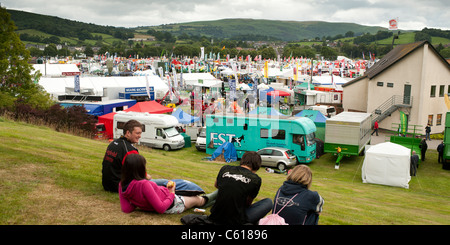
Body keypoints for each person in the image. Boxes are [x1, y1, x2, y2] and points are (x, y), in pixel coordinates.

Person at [119, 154, 216, 214]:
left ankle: (219, 198)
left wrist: (139, 202)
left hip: (167, 197)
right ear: (140, 169)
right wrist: (172, 193)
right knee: (200, 200)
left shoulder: (122, 184)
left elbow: (127, 208)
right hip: (173, 204)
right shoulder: (144, 184)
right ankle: (222, 192)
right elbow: (161, 208)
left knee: (195, 199)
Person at [208, 151, 272, 225]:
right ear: (257, 165)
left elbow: (216, 185)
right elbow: (248, 203)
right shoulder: (255, 179)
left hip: (215, 215)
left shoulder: (225, 168)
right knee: (268, 202)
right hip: (236, 220)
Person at [102, 119, 143, 192]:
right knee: (161, 182)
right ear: (128, 133)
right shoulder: (130, 150)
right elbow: (138, 175)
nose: (139, 136)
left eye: (140, 133)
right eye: (137, 133)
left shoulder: (113, 143)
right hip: (119, 187)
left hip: (106, 184)